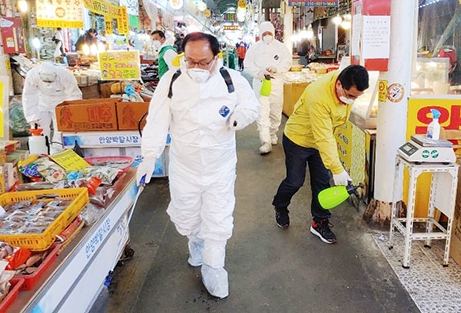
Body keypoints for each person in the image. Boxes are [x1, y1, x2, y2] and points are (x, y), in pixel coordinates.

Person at [136, 32, 259, 299]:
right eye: (190, 61)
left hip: (220, 165)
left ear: (216, 57)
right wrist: (149, 156)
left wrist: (238, 118)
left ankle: (214, 267)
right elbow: (156, 120)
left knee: (218, 217)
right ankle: (196, 242)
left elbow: (251, 106)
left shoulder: (231, 80)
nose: (196, 67)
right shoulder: (172, 81)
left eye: (203, 62)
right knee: (187, 214)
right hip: (185, 165)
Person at [272, 65, 369, 244]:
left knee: (322, 182)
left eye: (357, 97)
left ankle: (320, 222)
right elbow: (323, 137)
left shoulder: (344, 83)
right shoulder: (319, 96)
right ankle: (280, 206)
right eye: (350, 96)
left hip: (321, 143)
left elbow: (326, 137)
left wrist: (333, 167)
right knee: (295, 181)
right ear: (339, 84)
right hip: (298, 140)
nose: (352, 100)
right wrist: (337, 169)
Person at [244, 21, 292, 154]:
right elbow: (247, 64)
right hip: (261, 84)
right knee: (262, 112)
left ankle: (272, 133)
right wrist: (259, 73)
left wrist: (277, 68)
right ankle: (265, 141)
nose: (267, 36)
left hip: (276, 83)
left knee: (276, 112)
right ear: (260, 34)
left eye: (269, 33)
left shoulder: (281, 48)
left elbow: (287, 62)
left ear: (273, 33)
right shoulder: (254, 49)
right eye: (264, 33)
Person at [22, 62, 82, 153]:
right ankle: (41, 152)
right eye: (45, 81)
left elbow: (74, 94)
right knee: (39, 128)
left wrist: (69, 111)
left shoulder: (65, 74)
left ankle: (59, 151)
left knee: (61, 128)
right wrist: (32, 116)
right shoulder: (32, 74)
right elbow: (29, 95)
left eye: (50, 81)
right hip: (41, 100)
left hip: (60, 100)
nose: (48, 84)